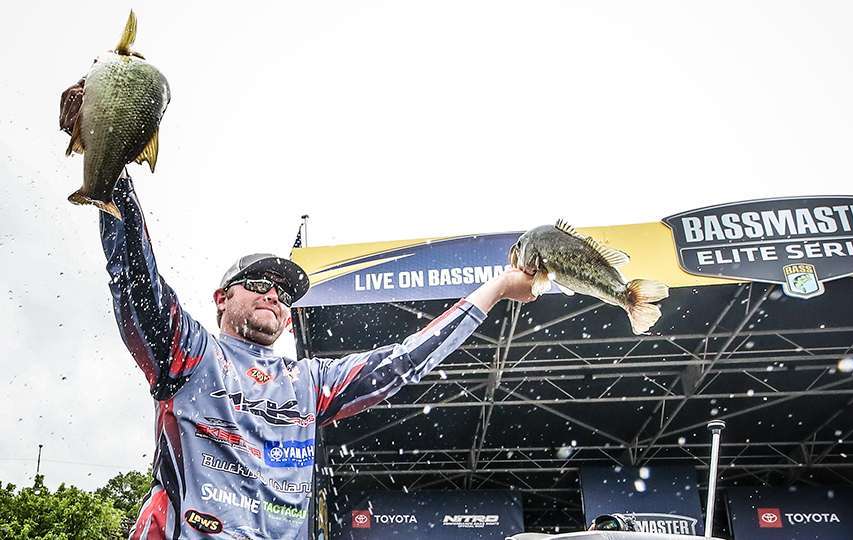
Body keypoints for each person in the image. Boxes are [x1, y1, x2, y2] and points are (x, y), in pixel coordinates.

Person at [60, 82, 537, 539]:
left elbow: (403, 362)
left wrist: (494, 289)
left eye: (285, 296)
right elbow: (136, 278)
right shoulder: (193, 355)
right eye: (259, 285)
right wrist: (110, 162)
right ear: (222, 298)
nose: (274, 296)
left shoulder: (309, 383)